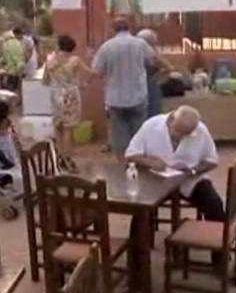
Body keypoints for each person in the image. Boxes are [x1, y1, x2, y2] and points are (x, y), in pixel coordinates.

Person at [125, 105, 225, 263]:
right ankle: (136, 263)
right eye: (177, 133)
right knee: (141, 212)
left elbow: (212, 161)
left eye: (185, 135)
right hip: (157, 182)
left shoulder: (200, 130)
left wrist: (192, 171)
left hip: (189, 181)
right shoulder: (151, 125)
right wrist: (150, 162)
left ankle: (219, 257)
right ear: (170, 119)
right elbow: (130, 154)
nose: (179, 138)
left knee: (215, 204)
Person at [91, 18, 165, 159]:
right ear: (128, 28)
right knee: (139, 133)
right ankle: (138, 163)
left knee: (119, 136)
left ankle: (122, 164)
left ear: (113, 29)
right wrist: (162, 73)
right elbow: (156, 59)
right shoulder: (140, 44)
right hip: (138, 96)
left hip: (115, 98)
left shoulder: (107, 47)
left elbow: (97, 72)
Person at [43, 35, 91, 160]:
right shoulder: (76, 60)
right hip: (70, 95)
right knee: (68, 128)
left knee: (58, 126)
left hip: (55, 94)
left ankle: (59, 156)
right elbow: (90, 72)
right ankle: (68, 157)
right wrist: (83, 84)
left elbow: (45, 81)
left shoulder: (50, 61)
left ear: (59, 46)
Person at [136, 28, 174, 118]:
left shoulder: (136, 51)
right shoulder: (152, 52)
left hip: (137, 86)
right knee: (153, 113)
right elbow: (168, 67)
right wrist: (159, 78)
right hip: (151, 86)